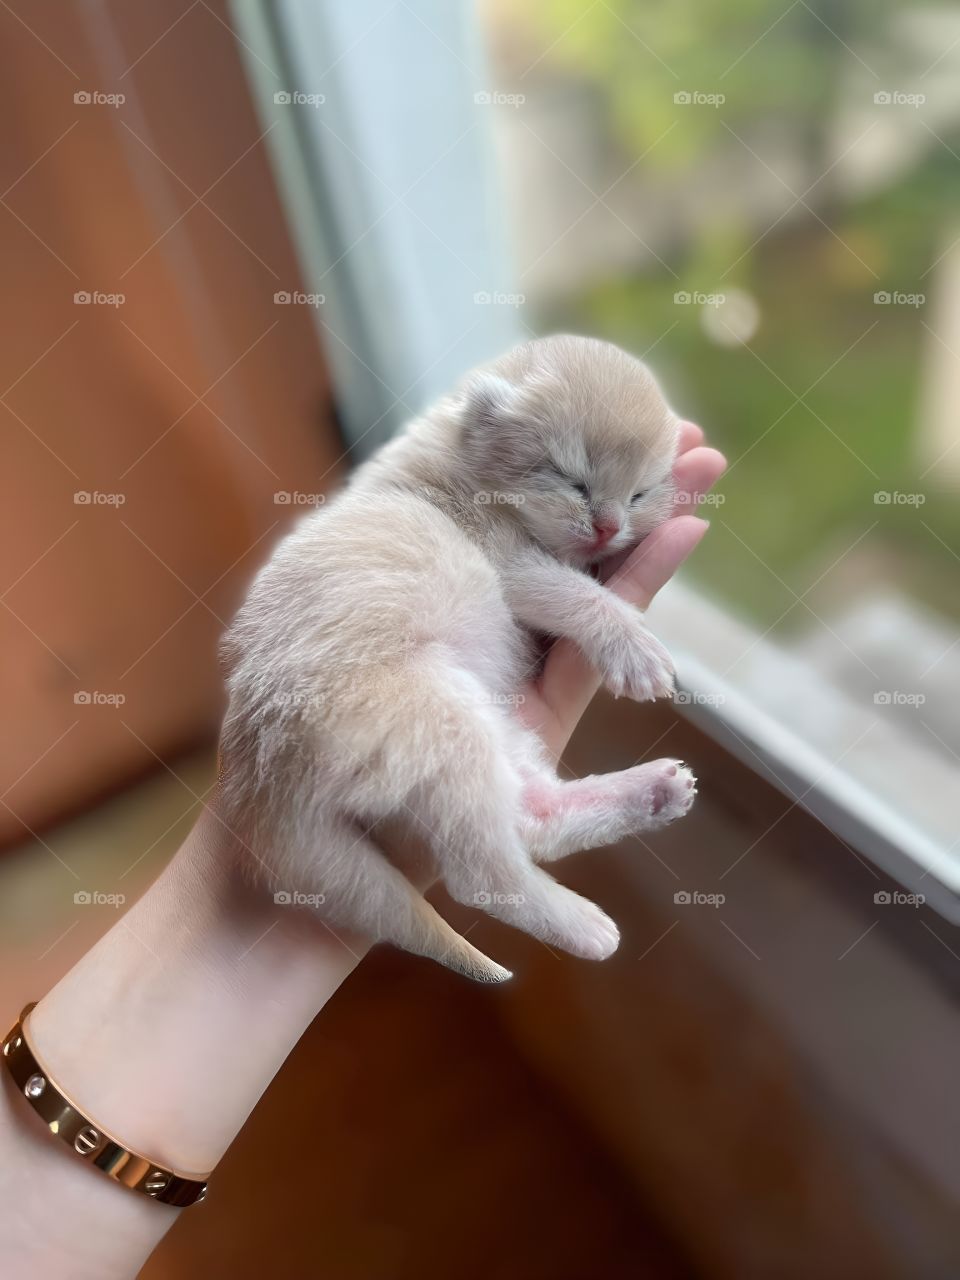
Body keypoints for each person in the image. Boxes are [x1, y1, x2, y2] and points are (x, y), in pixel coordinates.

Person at [0, 425, 725, 1279]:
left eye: (634, 499)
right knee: (455, 739)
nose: (607, 524)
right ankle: (520, 843)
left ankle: (529, 818)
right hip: (381, 668)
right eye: (578, 488)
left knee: (469, 746)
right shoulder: (462, 491)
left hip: (393, 670)